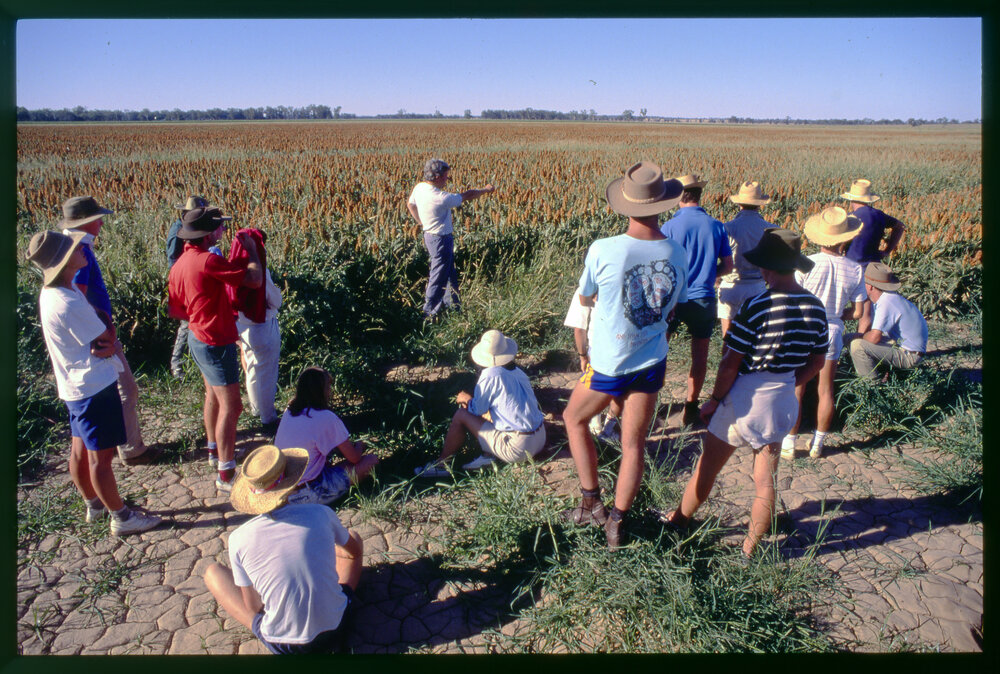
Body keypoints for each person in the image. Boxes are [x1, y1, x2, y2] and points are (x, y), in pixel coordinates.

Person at [660, 228, 827, 559]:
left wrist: (713, 400)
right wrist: (793, 380)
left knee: (706, 469)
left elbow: (730, 365)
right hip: (782, 399)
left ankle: (678, 521)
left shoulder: (758, 305)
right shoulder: (814, 306)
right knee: (765, 480)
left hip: (747, 399)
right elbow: (818, 360)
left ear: (765, 268)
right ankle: (751, 548)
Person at [561, 161, 688, 549]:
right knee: (634, 444)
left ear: (626, 205)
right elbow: (672, 307)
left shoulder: (604, 248)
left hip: (609, 364)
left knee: (573, 418)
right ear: (662, 206)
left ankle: (590, 502)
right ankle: (617, 524)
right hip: (651, 362)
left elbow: (584, 296)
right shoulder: (678, 253)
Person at [27, 230, 162, 536]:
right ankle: (122, 517)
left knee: (79, 450)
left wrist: (101, 334)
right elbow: (107, 337)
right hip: (93, 388)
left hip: (74, 386)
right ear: (63, 260)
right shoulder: (69, 301)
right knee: (101, 459)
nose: (82, 251)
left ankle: (95, 504)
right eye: (75, 248)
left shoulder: (54, 292)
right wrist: (109, 329)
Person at [203, 445, 364, 654]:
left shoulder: (238, 539)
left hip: (284, 645)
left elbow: (253, 607)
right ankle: (331, 602)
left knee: (212, 573)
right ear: (291, 480)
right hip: (335, 627)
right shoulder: (320, 513)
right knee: (353, 539)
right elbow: (353, 552)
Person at [167, 206, 263, 492]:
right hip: (216, 340)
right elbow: (254, 280)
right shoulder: (208, 261)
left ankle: (214, 451)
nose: (223, 230)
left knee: (212, 395)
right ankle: (226, 474)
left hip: (197, 337)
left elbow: (178, 310)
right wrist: (252, 251)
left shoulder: (180, 263)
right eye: (220, 226)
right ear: (208, 234)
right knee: (232, 406)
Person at [59, 195, 158, 466]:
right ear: (86, 222)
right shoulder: (79, 250)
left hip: (94, 334)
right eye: (98, 218)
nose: (102, 222)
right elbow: (76, 297)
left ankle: (121, 446)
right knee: (126, 389)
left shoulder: (73, 245)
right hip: (97, 337)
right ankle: (130, 449)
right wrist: (98, 337)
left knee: (124, 389)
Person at [781, 207, 867, 459]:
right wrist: (838, 314)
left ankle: (789, 442)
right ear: (845, 238)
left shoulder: (806, 263)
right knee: (826, 389)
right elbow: (859, 312)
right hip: (832, 330)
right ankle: (818, 444)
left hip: (805, 327)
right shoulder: (855, 269)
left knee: (797, 386)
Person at [414, 330, 547, 476]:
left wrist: (467, 400)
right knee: (492, 413)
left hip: (518, 448)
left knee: (461, 415)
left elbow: (477, 410)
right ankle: (488, 456)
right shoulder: (517, 371)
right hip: (540, 438)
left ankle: (442, 465)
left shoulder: (490, 375)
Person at [660, 174, 734, 426]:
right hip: (703, 298)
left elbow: (662, 265)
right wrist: (711, 274)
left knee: (659, 351)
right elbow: (729, 265)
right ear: (700, 196)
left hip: (672, 300)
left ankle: (651, 401)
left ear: (679, 197)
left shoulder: (669, 227)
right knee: (699, 355)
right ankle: (691, 407)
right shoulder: (716, 225)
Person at [273, 367, 379, 504]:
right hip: (309, 491)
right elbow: (354, 458)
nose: (330, 391)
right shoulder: (326, 417)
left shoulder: (290, 410)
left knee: (331, 464)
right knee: (371, 461)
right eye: (328, 386)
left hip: (284, 486)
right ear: (321, 390)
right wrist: (360, 445)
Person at [406, 158, 495, 319]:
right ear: (438, 177)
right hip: (440, 240)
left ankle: (453, 307)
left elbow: (410, 205)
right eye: (446, 176)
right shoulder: (441, 197)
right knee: (438, 275)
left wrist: (421, 222)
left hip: (429, 236)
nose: (448, 180)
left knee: (448, 273)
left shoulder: (420, 188)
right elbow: (468, 195)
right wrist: (485, 190)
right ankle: (428, 313)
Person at [228, 228, 282, 434]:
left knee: (251, 368)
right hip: (263, 328)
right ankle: (268, 419)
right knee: (267, 374)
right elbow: (274, 300)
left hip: (242, 326)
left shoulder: (232, 268)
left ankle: (255, 408)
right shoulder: (259, 272)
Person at [840, 179, 906, 333]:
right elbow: (900, 226)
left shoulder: (852, 218)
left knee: (838, 309)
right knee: (865, 313)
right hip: (872, 270)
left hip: (850, 268)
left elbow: (841, 243)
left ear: (851, 199)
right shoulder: (879, 216)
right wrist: (888, 250)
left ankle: (839, 346)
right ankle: (858, 346)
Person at [166, 196, 221, 378]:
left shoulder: (188, 227)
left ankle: (191, 364)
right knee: (187, 322)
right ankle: (178, 366)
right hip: (187, 280)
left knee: (192, 322)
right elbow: (173, 259)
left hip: (192, 277)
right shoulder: (179, 230)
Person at [848, 262, 928, 380]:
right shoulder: (888, 298)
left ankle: (871, 385)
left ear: (870, 286)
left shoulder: (886, 302)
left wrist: (861, 336)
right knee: (850, 338)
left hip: (910, 356)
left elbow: (875, 337)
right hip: (904, 347)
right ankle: (867, 369)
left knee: (857, 345)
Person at [563, 292, 623, 441]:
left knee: (596, 386)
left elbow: (579, 328)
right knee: (620, 390)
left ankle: (595, 424)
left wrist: (583, 355)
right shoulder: (624, 281)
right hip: (623, 346)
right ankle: (608, 430)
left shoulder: (585, 289)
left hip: (598, 348)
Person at [717, 181, 772, 338]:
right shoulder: (770, 228)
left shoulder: (726, 228)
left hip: (730, 286)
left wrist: (716, 279)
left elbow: (717, 258)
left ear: (739, 203)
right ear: (759, 204)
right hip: (757, 287)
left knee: (728, 338)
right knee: (755, 338)